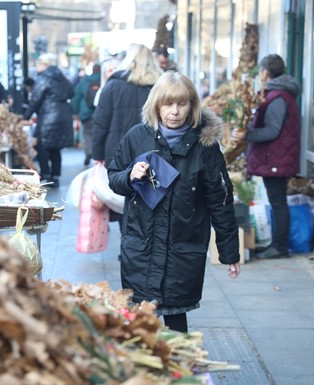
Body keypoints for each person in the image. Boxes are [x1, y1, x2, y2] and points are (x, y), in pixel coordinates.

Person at [107, 71, 241, 333]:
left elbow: (220, 200)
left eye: (182, 104)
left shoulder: (205, 146)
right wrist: (129, 176)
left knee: (176, 319)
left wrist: (230, 252)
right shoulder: (137, 137)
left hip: (182, 248)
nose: (175, 111)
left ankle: (180, 369)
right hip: (141, 246)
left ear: (192, 105)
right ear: (157, 104)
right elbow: (113, 177)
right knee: (139, 323)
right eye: (168, 104)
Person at [234, 54, 301, 260]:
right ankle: (277, 245)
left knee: (278, 201)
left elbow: (272, 131)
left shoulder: (278, 97)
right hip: (276, 158)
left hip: (276, 159)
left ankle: (280, 247)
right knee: (277, 200)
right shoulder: (278, 94)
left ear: (265, 73)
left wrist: (247, 135)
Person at [93, 44, 162, 228]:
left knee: (124, 196)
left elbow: (100, 123)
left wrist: (97, 155)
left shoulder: (113, 85)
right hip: (154, 151)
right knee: (153, 197)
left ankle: (130, 244)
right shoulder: (160, 86)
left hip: (117, 151)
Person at [23, 53, 74, 188]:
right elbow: (71, 92)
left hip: (48, 117)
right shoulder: (61, 77)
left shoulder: (43, 78)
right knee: (56, 148)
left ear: (45, 65)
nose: (37, 66)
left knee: (42, 147)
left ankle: (45, 175)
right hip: (63, 115)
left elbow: (35, 100)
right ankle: (55, 176)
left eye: (39, 63)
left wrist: (25, 117)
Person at [72, 63, 101, 165]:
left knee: (87, 134)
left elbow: (76, 97)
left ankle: (89, 152)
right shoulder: (105, 80)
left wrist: (74, 112)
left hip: (86, 113)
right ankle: (97, 155)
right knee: (99, 135)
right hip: (100, 113)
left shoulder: (85, 81)